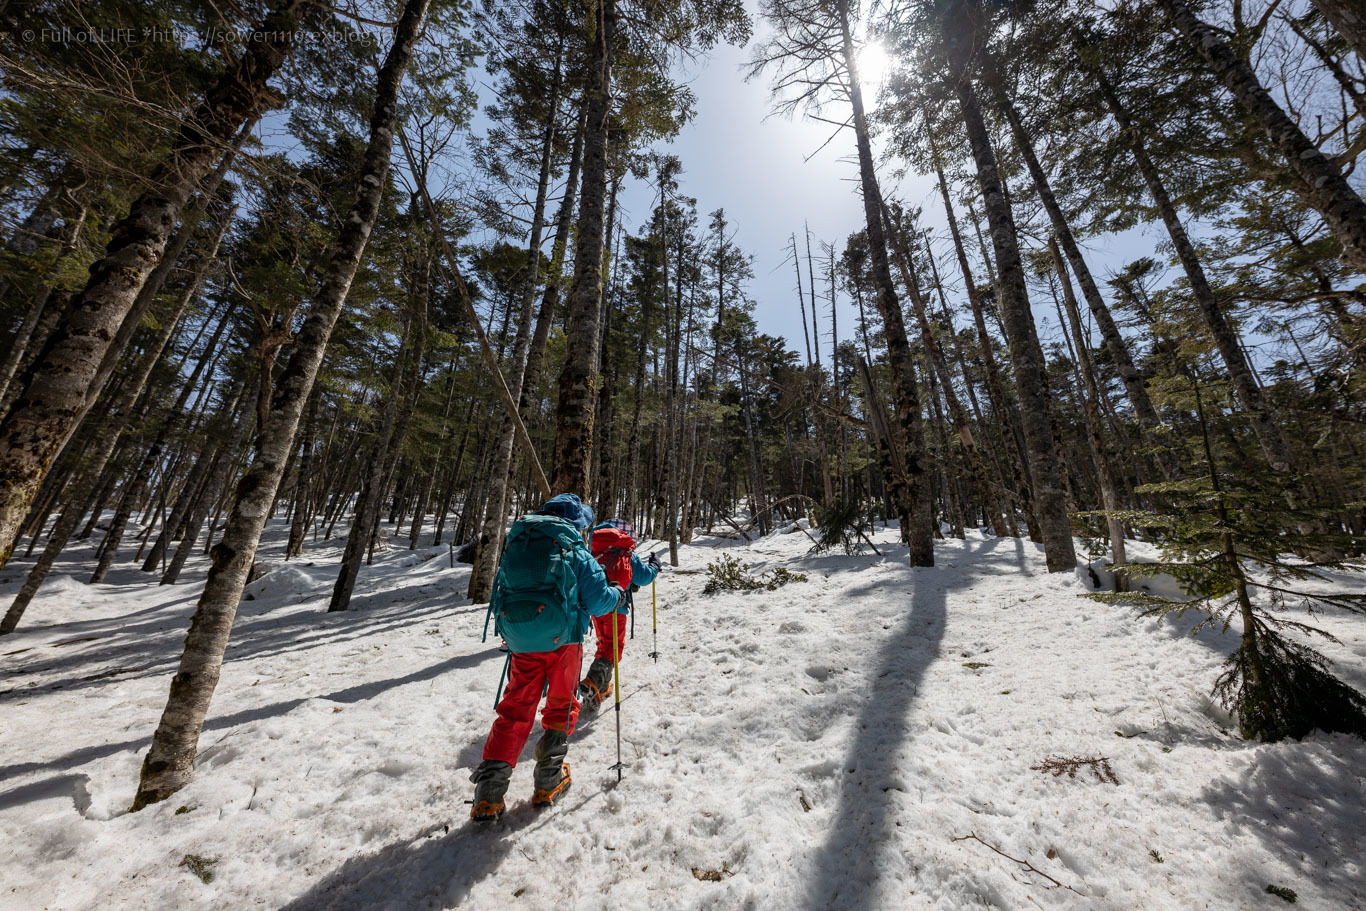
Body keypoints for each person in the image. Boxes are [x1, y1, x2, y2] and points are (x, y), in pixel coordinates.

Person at [469, 493, 624, 822]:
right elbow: (599, 602)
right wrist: (618, 592)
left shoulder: (521, 541)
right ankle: (548, 783)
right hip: (563, 641)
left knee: (515, 707)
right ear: (577, 523)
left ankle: (488, 796)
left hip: (520, 639)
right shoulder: (573, 547)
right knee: (561, 704)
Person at [579, 518, 662, 711]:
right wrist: (655, 567)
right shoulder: (624, 551)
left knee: (604, 642)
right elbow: (643, 577)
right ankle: (593, 681)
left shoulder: (592, 551)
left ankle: (601, 686)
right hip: (617, 607)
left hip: (596, 607)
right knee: (613, 648)